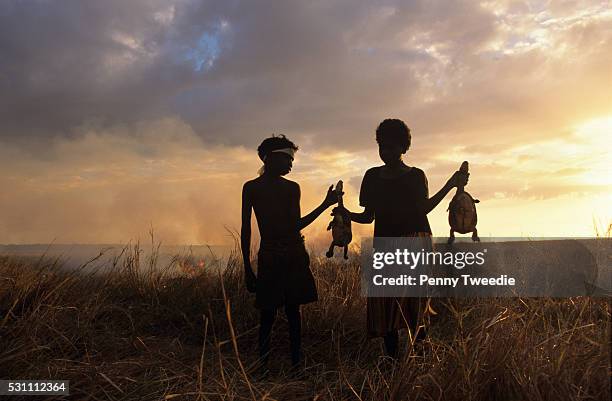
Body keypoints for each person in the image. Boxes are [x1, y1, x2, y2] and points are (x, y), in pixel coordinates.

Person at [345, 119, 468, 358]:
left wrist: (451, 185)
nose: (386, 152)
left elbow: (423, 208)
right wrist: (345, 214)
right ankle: (392, 361)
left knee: (414, 305)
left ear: (404, 147)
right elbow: (368, 217)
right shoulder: (371, 176)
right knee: (386, 305)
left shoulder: (416, 176)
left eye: (391, 147)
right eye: (382, 147)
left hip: (415, 241)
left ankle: (420, 359)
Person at [241, 134, 339, 371]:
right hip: (276, 256)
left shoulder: (288, 188)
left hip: (287, 254)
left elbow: (292, 225)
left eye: (292, 159)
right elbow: (248, 229)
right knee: (270, 313)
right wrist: (247, 267)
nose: (291, 164)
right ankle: (268, 364)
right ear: (269, 158)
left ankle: (294, 363)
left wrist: (326, 205)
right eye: (287, 158)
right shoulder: (254, 188)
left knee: (290, 311)